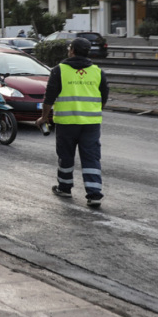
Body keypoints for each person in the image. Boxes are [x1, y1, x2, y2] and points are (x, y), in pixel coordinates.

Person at [36, 37, 109, 207]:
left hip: (67, 123)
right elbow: (103, 98)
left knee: (66, 156)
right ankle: (94, 194)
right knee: (91, 158)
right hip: (91, 124)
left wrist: (44, 117)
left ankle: (65, 188)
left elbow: (49, 97)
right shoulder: (98, 71)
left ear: (72, 51)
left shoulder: (59, 70)